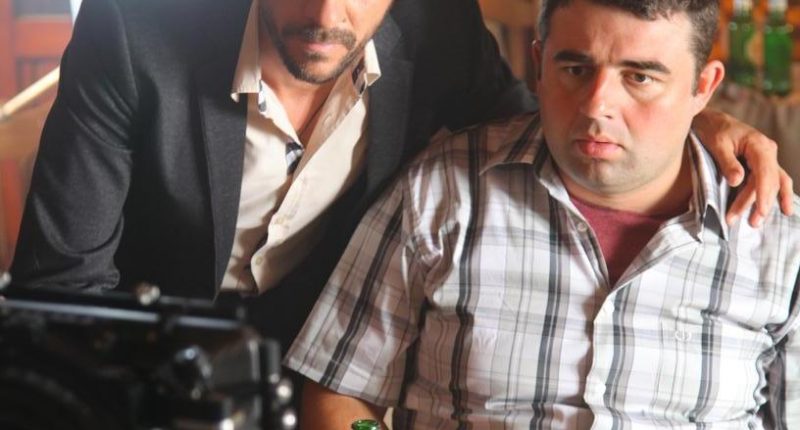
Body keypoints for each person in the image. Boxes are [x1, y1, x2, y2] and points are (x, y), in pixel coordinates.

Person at [8, 0, 792, 358]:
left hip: (318, 362)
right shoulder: (136, 27)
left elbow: (559, 122)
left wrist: (693, 120)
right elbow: (62, 286)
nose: (326, 14)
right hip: (135, 355)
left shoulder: (438, 27)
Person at [284, 0, 800, 428]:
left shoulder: (782, 241)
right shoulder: (440, 191)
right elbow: (339, 390)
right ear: (539, 63)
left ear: (703, 88)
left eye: (640, 77)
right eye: (575, 70)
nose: (597, 105)